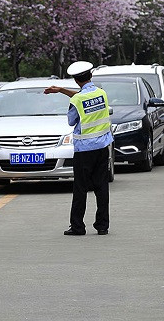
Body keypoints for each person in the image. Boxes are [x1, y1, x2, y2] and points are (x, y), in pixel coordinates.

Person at [43, 61, 114, 236]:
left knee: (80, 188)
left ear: (76, 80)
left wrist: (64, 94)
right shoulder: (102, 93)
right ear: (90, 75)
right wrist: (60, 90)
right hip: (103, 147)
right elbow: (85, 96)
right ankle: (102, 226)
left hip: (84, 149)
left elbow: (71, 120)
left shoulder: (77, 99)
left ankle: (78, 226)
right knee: (101, 187)